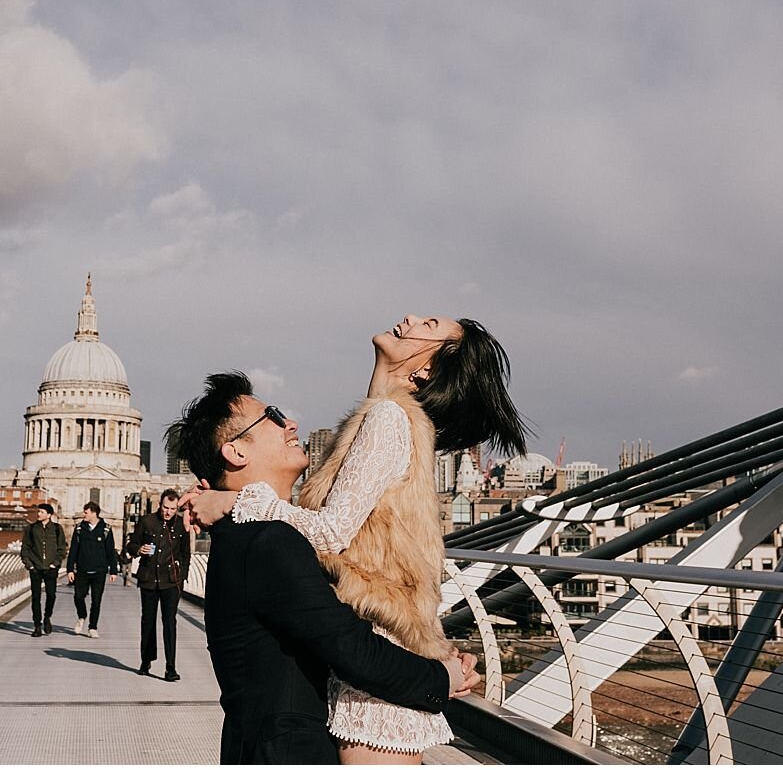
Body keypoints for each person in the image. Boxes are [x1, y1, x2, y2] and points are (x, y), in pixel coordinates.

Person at [185, 316, 529, 764]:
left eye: (428, 324)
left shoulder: (387, 418)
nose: (409, 319)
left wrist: (232, 501)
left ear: (427, 370)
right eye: (271, 417)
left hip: (373, 667)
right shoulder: (384, 419)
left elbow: (331, 530)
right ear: (236, 451)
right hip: (357, 677)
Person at [124, 488, 191, 681]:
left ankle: (171, 667)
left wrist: (182, 578)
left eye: (172, 508)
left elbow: (185, 554)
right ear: (159, 505)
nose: (168, 512)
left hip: (171, 582)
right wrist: (139, 549)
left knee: (170, 623)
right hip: (149, 579)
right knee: (148, 622)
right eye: (165, 507)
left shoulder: (181, 526)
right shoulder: (147, 522)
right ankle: (146, 661)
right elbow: (131, 544)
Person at [66, 501, 119, 637]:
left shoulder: (106, 529)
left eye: (86, 512)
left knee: (96, 600)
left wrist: (113, 570)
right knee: (78, 597)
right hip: (82, 569)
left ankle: (92, 627)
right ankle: (82, 616)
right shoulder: (79, 529)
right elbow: (73, 550)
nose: (84, 514)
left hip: (99, 570)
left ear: (94, 513)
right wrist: (70, 569)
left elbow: (110, 551)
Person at [20, 503, 67, 637]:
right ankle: (37, 625)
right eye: (38, 511)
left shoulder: (57, 529)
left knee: (51, 595)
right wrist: (29, 564)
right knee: (36, 597)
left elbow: (62, 549)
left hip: (51, 568)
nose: (38, 514)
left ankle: (47, 618)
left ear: (49, 514)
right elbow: (25, 548)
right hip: (35, 568)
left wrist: (56, 563)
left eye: (41, 512)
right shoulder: (31, 528)